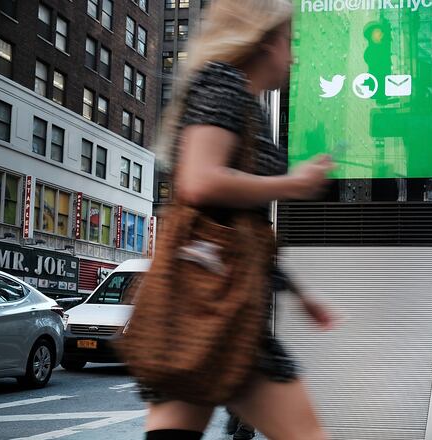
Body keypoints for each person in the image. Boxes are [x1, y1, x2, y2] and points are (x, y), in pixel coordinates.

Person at [139, 1, 335, 439]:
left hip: (202, 310)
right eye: (290, 42)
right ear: (264, 42)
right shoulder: (223, 83)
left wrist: (297, 293)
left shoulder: (243, 102)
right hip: (217, 311)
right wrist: (291, 183)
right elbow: (199, 182)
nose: (295, 56)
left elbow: (240, 225)